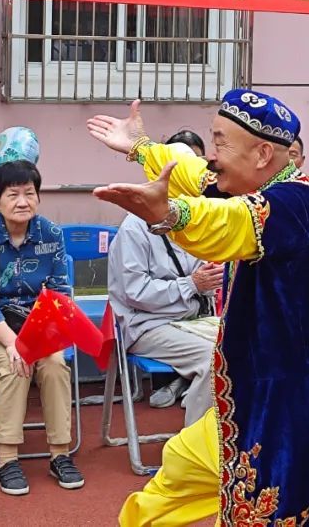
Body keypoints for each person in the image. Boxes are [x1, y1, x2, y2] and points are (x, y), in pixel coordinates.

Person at [87, 92, 309, 526]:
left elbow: (226, 226)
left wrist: (167, 213)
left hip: (295, 411)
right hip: (245, 399)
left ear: (263, 154)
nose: (213, 156)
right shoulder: (252, 187)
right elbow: (193, 173)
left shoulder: (297, 205)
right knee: (178, 469)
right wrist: (140, 147)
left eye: (221, 144)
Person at [0, 160, 83, 496]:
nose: (23, 201)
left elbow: (59, 293)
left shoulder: (50, 233)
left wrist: (34, 340)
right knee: (14, 366)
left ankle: (60, 453)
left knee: (56, 364)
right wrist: (15, 343)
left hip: (38, 326)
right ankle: (7, 459)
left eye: (30, 193)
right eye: (13, 194)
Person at [108, 130, 223, 425]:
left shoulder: (197, 217)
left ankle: (228, 436)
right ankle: (197, 447)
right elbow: (135, 292)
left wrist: (211, 280)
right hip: (147, 325)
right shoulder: (134, 227)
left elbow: (205, 279)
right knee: (215, 359)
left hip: (191, 319)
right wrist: (193, 284)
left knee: (248, 342)